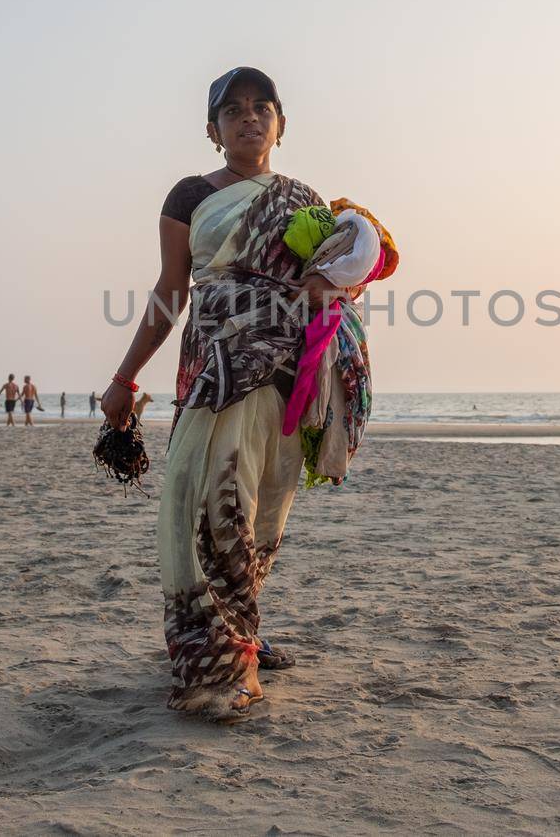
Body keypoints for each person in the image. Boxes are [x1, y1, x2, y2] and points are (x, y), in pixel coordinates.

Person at [102, 65, 340, 720]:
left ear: (281, 125)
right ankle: (217, 657)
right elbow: (171, 291)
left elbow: (330, 287)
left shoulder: (305, 201)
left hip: (283, 369)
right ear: (213, 130)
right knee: (207, 498)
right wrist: (124, 377)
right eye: (232, 110)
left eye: (262, 107)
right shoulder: (189, 196)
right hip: (215, 364)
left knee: (263, 505)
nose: (249, 117)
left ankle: (241, 630)